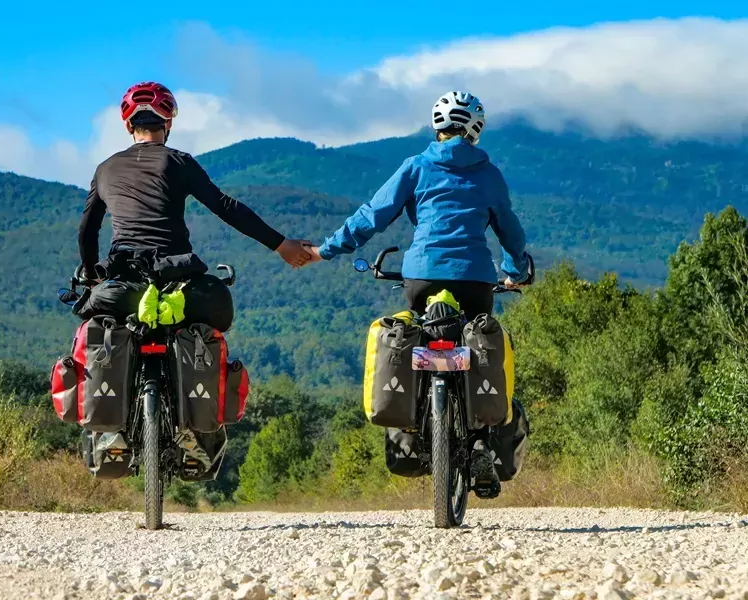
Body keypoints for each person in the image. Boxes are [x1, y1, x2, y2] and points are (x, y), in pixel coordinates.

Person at [304, 91, 534, 497]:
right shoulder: (489, 174)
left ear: (437, 126)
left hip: (421, 277)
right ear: (475, 129)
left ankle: (415, 421)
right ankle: (480, 442)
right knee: (479, 342)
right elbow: (510, 232)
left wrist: (326, 249)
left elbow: (371, 216)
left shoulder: (416, 167)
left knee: (417, 334)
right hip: (475, 281)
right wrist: (515, 271)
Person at [78, 81, 311, 284]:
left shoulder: (104, 169)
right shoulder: (179, 162)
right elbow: (226, 207)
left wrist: (91, 275)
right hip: (174, 270)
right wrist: (282, 246)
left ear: (129, 125)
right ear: (168, 123)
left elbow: (88, 230)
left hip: (124, 271)